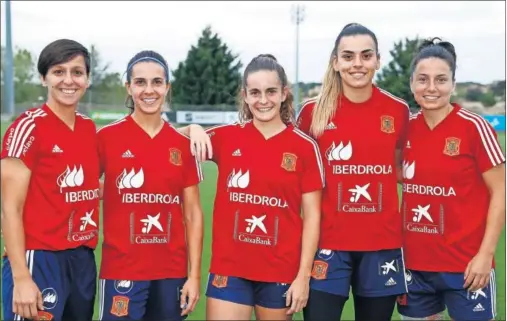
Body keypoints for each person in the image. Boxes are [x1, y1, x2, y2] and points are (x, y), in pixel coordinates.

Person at [182, 54, 324, 320]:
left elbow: (313, 217)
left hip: (280, 272)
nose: (263, 100)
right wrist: (192, 128)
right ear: (245, 95)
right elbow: (168, 142)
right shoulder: (226, 137)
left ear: (284, 93)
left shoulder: (304, 147)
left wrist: (303, 277)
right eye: (255, 92)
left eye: (271, 91)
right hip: (229, 270)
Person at [296, 23, 410, 321]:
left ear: (377, 60)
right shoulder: (312, 112)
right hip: (327, 246)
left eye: (366, 55)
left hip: (381, 247)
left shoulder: (397, 111)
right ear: (335, 62)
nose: (357, 64)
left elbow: (399, 166)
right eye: (348, 56)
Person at [396, 38, 505, 321]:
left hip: (466, 266)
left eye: (441, 79)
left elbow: (501, 190)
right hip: (414, 266)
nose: (431, 87)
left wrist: (485, 255)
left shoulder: (474, 127)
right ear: (411, 83)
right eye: (423, 79)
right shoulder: (404, 128)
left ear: (453, 84)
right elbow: (397, 173)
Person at [96, 50, 204, 321]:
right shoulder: (106, 138)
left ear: (167, 88)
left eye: (157, 82)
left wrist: (194, 276)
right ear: (128, 87)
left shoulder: (182, 146)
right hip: (121, 270)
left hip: (171, 273)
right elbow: (77, 190)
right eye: (140, 82)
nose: (149, 90)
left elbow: (192, 214)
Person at [1, 39, 100, 321]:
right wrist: (21, 278)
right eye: (59, 72)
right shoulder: (27, 127)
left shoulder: (88, 128)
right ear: (44, 78)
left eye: (77, 72)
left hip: (82, 258)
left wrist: (190, 131)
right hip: (39, 258)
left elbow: (89, 186)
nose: (68, 80)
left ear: (87, 79)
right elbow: (10, 208)